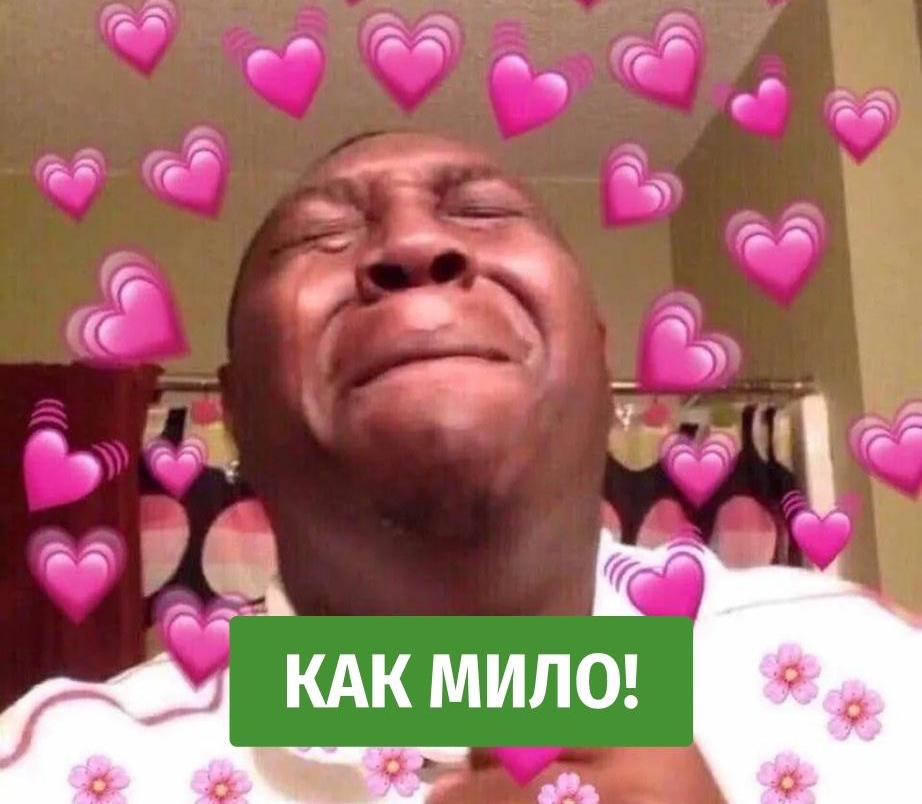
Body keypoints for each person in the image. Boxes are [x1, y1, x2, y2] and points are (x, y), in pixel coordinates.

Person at [0, 131, 917, 803]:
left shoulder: (879, 672)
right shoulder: (58, 773)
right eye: (319, 238)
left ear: (601, 366)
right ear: (234, 414)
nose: (412, 246)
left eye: (482, 213)